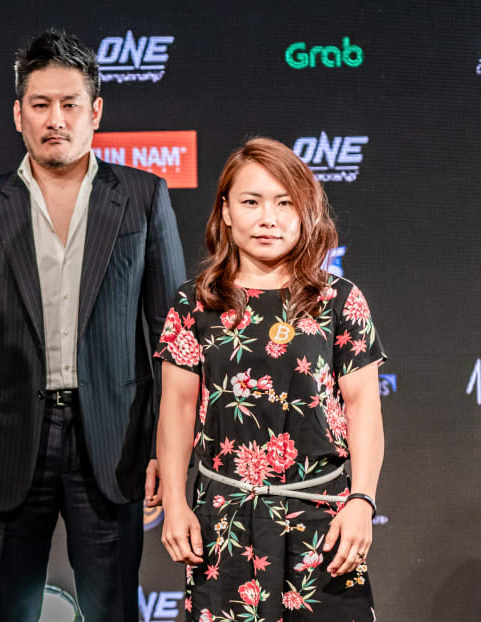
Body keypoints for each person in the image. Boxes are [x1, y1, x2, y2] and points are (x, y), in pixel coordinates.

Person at [0, 30, 186, 622]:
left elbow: (172, 338)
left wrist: (166, 444)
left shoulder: (143, 196)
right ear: (17, 114)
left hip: (111, 440)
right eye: (40, 104)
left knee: (112, 610)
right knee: (7, 609)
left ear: (96, 111)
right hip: (8, 441)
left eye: (70, 104)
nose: (55, 119)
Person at [156, 137, 385, 621]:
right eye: (251, 201)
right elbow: (176, 409)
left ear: (305, 213)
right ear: (225, 210)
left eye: (285, 203)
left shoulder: (338, 300)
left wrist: (362, 500)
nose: (268, 218)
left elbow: (363, 407)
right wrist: (175, 503)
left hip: (325, 521)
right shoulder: (193, 303)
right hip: (223, 521)